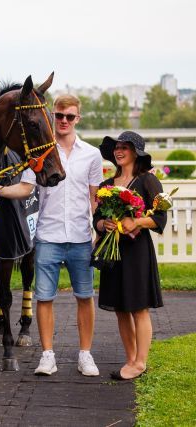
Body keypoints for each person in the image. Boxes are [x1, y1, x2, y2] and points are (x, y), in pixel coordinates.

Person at [0, 94, 103, 376]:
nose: (63, 121)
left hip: (80, 237)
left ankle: (85, 355)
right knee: (44, 298)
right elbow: (26, 189)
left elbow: (96, 198)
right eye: (59, 116)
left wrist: (100, 229)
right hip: (47, 236)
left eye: (69, 117)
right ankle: (47, 355)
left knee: (84, 296)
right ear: (52, 116)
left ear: (78, 118)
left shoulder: (91, 154)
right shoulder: (38, 153)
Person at [93, 131, 165, 381]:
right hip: (113, 254)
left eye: (124, 147)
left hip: (136, 253)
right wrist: (104, 225)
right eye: (116, 147)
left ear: (136, 152)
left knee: (138, 308)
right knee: (121, 309)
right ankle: (130, 359)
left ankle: (140, 362)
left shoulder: (147, 181)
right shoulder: (106, 186)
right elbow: (97, 220)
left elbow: (160, 218)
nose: (119, 151)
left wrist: (135, 222)